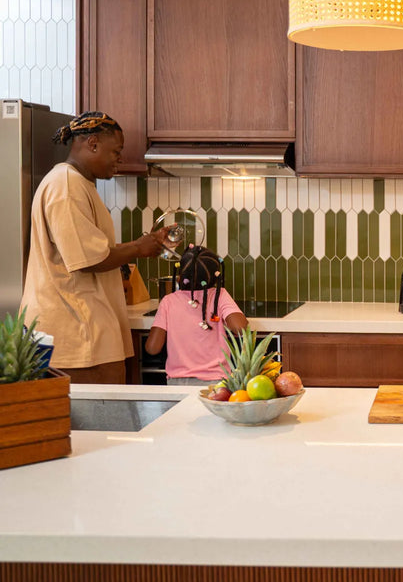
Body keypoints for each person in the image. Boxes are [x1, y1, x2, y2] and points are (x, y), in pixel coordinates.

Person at [20, 112, 173, 383]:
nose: (120, 158)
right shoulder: (66, 186)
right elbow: (89, 259)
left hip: (85, 333)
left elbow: (90, 249)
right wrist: (138, 247)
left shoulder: (77, 184)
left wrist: (145, 244)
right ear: (92, 143)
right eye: (116, 151)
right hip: (76, 338)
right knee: (99, 423)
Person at [145, 245, 248, 386]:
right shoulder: (219, 295)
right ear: (216, 276)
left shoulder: (168, 301)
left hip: (178, 384)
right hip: (216, 383)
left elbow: (152, 348)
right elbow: (240, 328)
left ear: (180, 276)